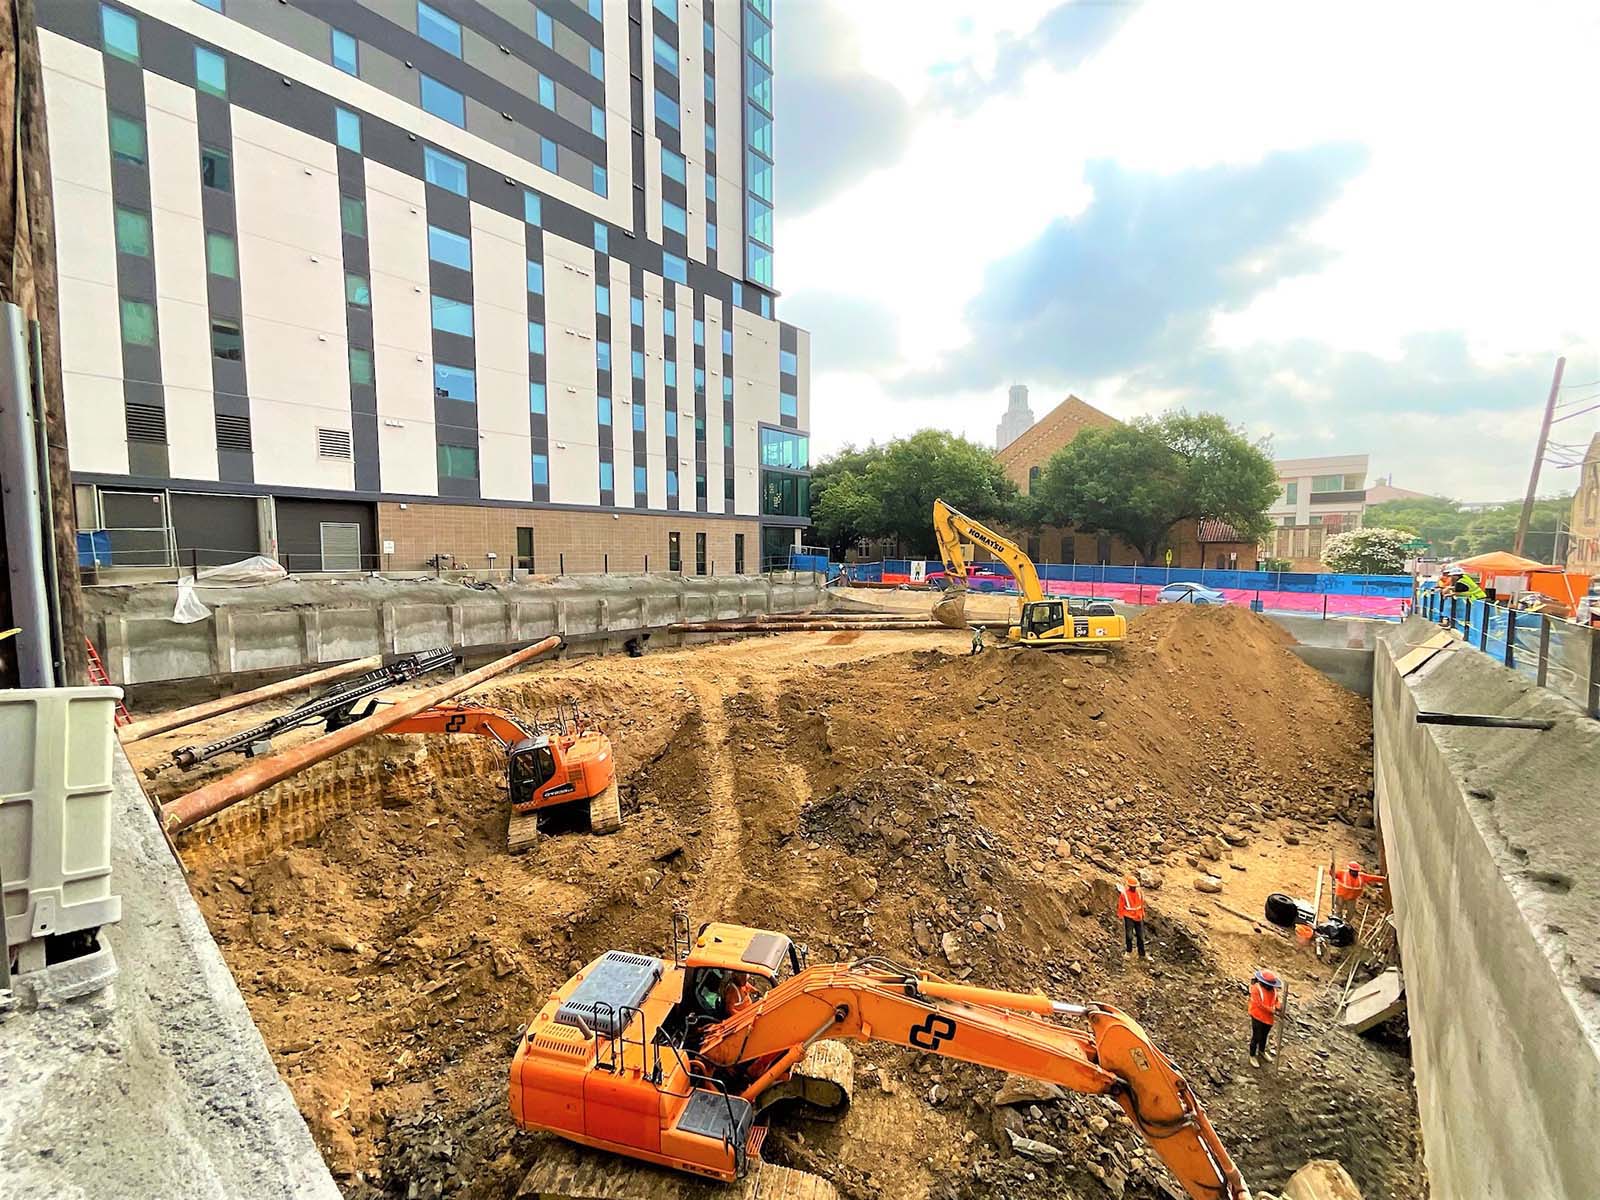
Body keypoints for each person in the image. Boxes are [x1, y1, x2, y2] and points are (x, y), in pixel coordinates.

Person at [1248, 969, 1284, 1067]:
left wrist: (1278, 1006)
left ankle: (1262, 1051)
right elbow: (1259, 1004)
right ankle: (1252, 1055)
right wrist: (1273, 1010)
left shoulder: (1273, 991)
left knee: (1264, 1036)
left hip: (1268, 1019)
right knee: (1256, 1036)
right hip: (1257, 1016)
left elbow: (1276, 1000)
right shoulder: (1256, 989)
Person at [1116, 875, 1147, 958]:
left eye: (1135, 886)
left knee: (1140, 936)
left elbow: (1141, 904)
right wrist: (1120, 915)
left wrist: (1142, 913)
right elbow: (1121, 906)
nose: (1134, 888)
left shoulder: (1139, 893)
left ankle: (1142, 954)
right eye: (1132, 886)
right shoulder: (1124, 894)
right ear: (1129, 886)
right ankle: (1128, 951)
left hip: (1138, 916)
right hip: (1128, 916)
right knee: (1129, 935)